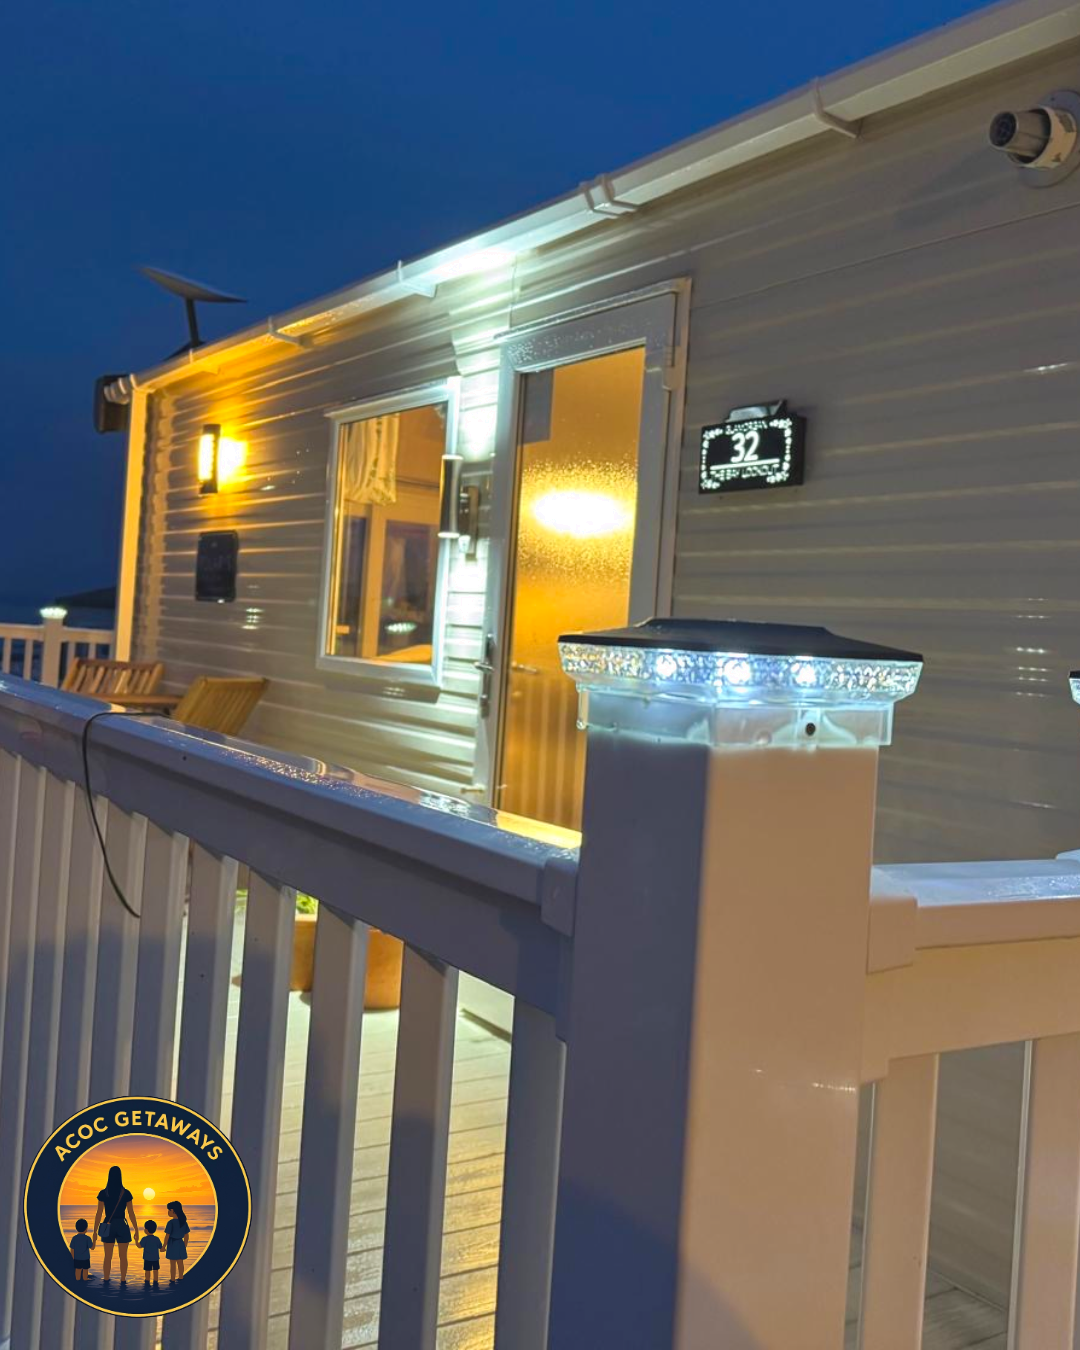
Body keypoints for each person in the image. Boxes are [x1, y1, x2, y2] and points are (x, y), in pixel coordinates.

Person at [91, 1165, 138, 1286]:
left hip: (108, 1225)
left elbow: (99, 1214)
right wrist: (136, 1229)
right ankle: (123, 1280)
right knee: (123, 1256)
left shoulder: (103, 1193)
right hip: (122, 1224)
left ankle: (106, 1279)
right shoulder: (126, 1193)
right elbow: (131, 1213)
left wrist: (95, 1232)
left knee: (107, 1256)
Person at [164, 1201, 189, 1283]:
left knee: (173, 1263)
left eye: (169, 1210)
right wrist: (184, 1245)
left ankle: (172, 1279)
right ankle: (181, 1277)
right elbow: (186, 1235)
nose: (168, 1212)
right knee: (180, 1262)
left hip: (172, 1243)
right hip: (180, 1243)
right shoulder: (183, 1222)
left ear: (173, 1211)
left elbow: (167, 1235)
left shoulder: (171, 1223)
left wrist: (164, 1246)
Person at [137, 1219, 162, 1287]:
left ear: (146, 1230)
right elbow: (160, 1247)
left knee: (147, 1271)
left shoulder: (144, 1239)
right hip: (155, 1258)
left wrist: (136, 1240)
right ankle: (156, 1281)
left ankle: (147, 1282)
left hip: (147, 1258)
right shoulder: (157, 1239)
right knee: (155, 1270)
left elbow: (139, 1246)